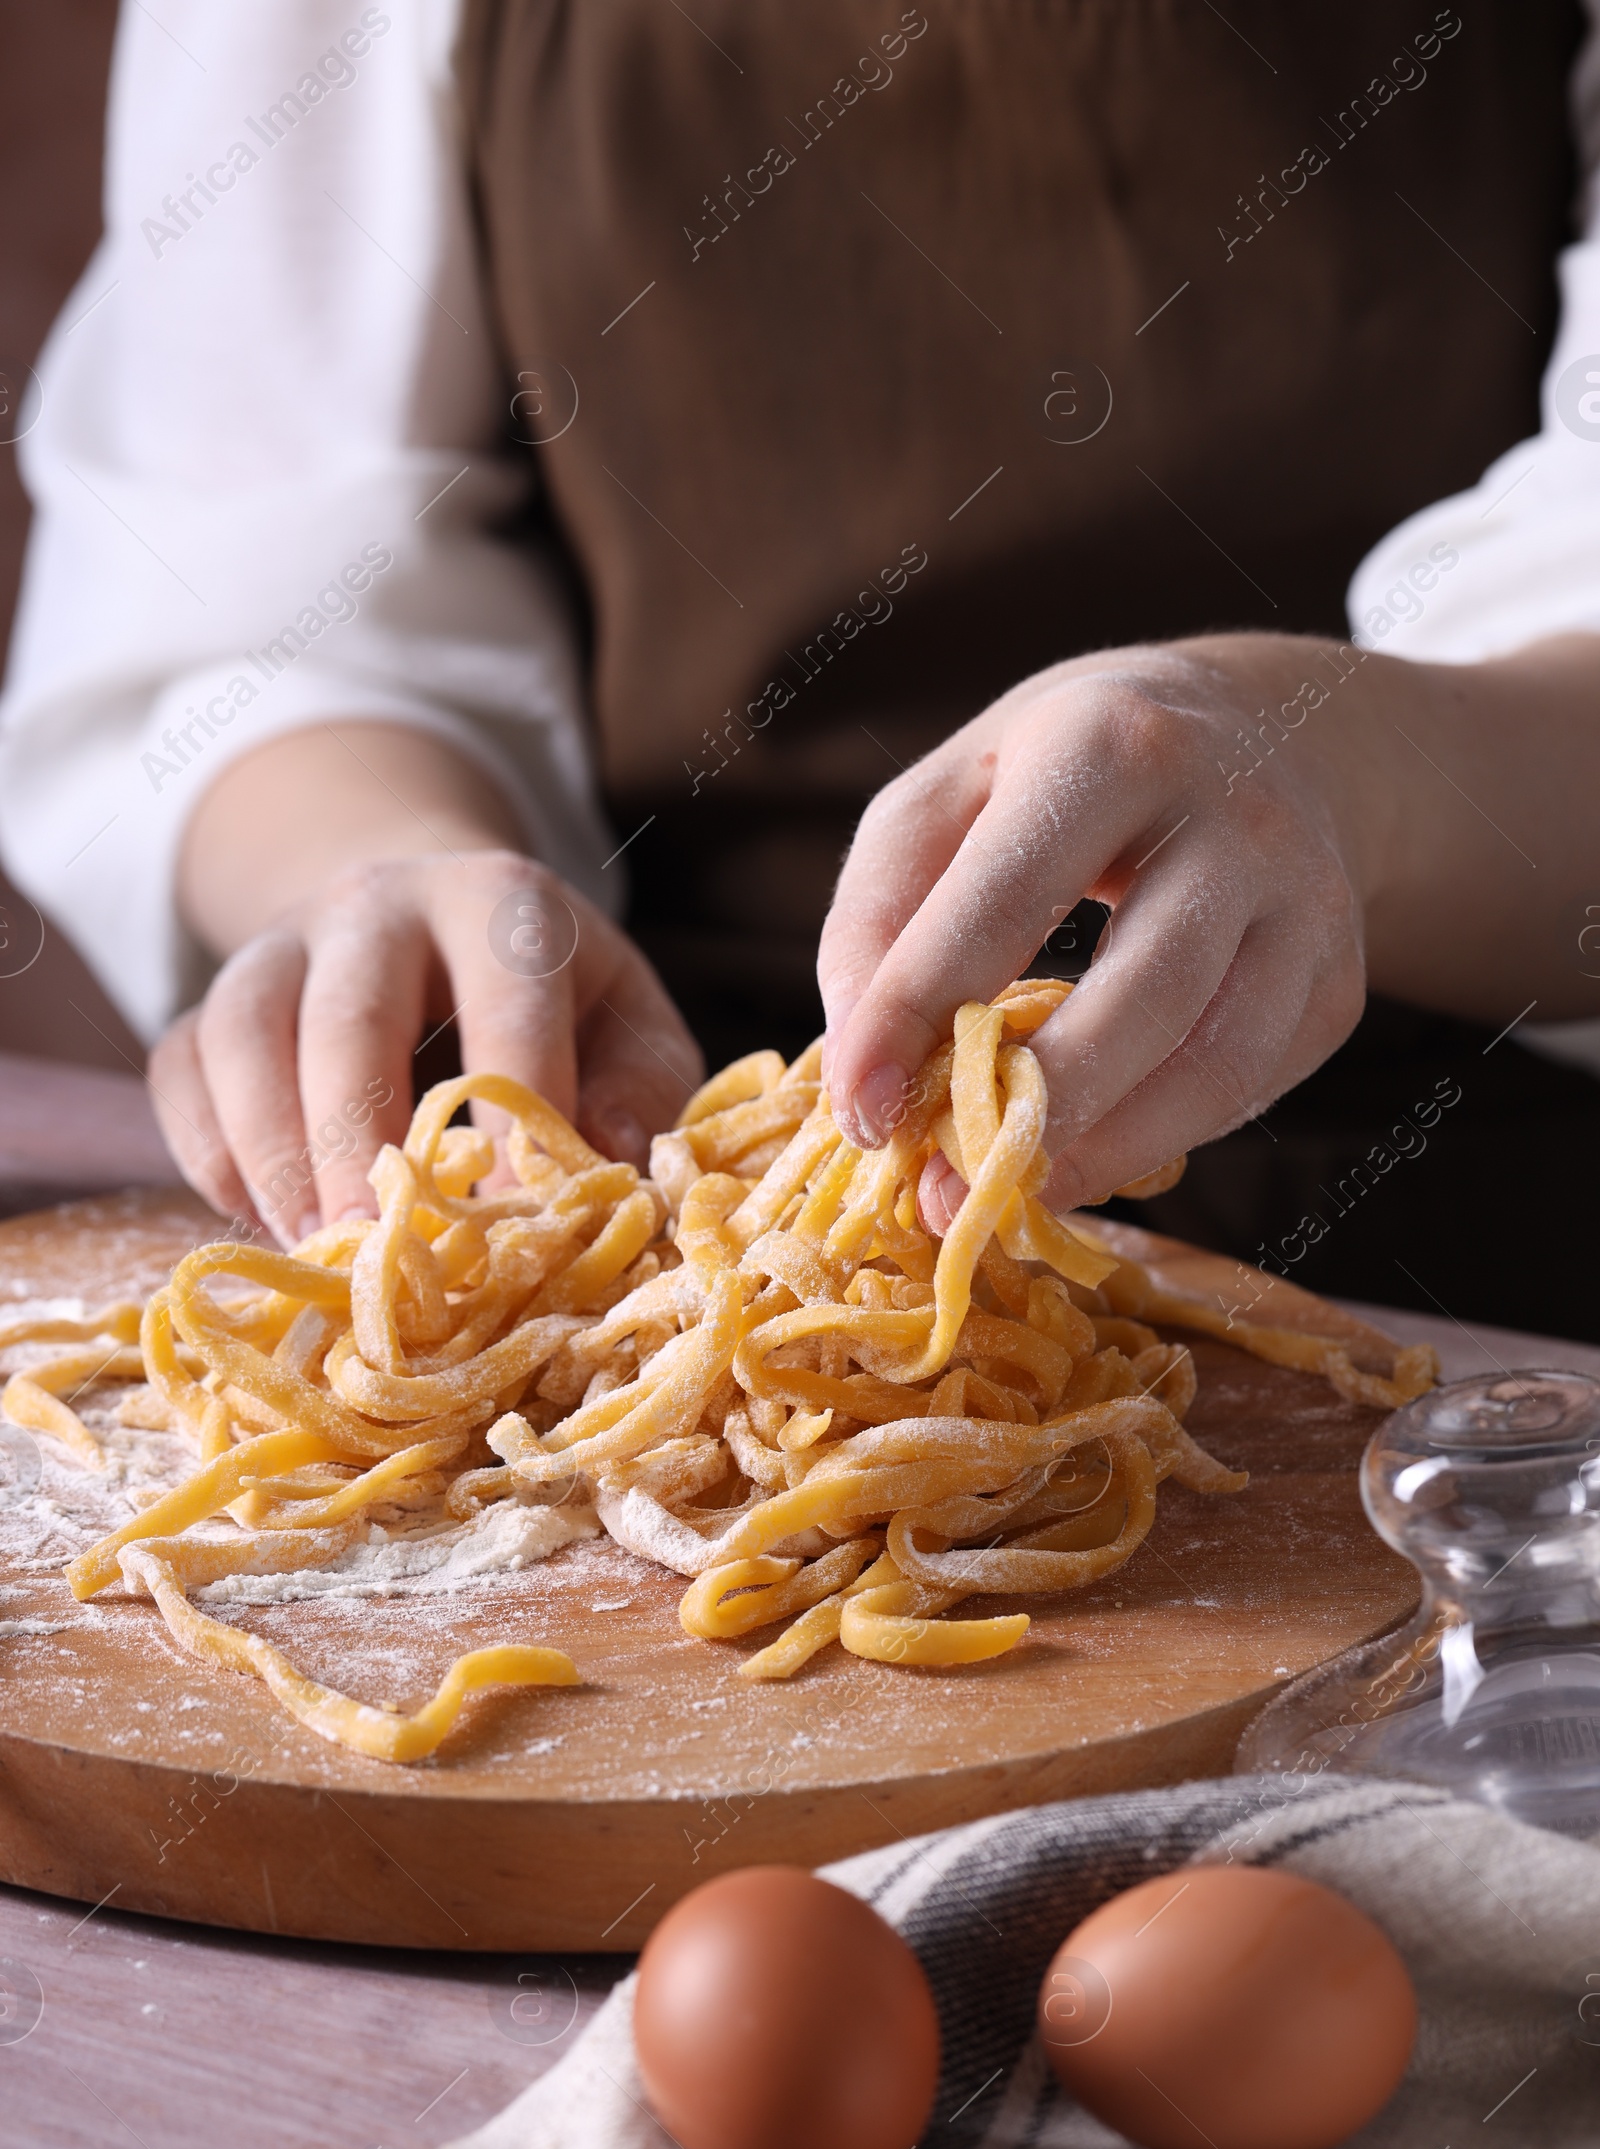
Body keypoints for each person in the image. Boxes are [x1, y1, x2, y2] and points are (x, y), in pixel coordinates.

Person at [4, 2, 1600, 1334]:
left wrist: (1346, 778)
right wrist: (397, 882)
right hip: (643, 1218)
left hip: (1484, 1249)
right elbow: (253, 580)